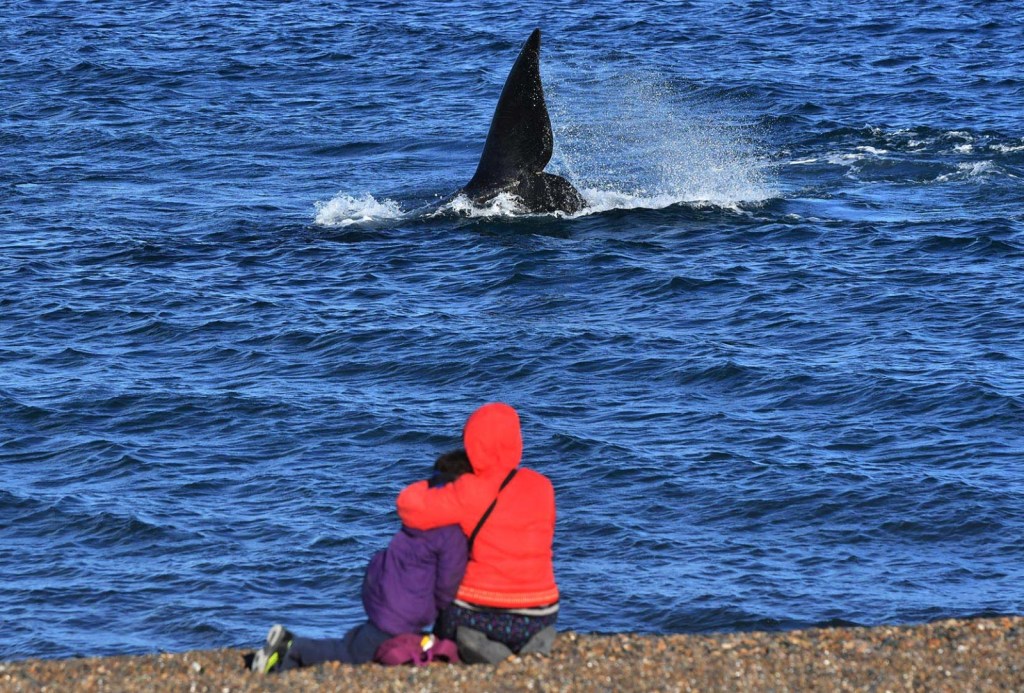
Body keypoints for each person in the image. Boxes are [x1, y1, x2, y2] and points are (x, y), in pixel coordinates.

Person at [251, 449, 472, 674]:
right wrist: (443, 607)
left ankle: (290, 644)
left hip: (385, 598)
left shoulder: (420, 519)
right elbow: (448, 582)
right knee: (353, 655)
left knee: (363, 642)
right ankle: (293, 648)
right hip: (398, 615)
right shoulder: (450, 533)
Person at [396, 402, 559, 663]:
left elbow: (408, 505)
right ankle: (534, 641)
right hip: (542, 609)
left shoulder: (469, 489)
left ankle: (475, 643)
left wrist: (439, 480)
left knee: (452, 619)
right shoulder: (542, 486)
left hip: (480, 611)